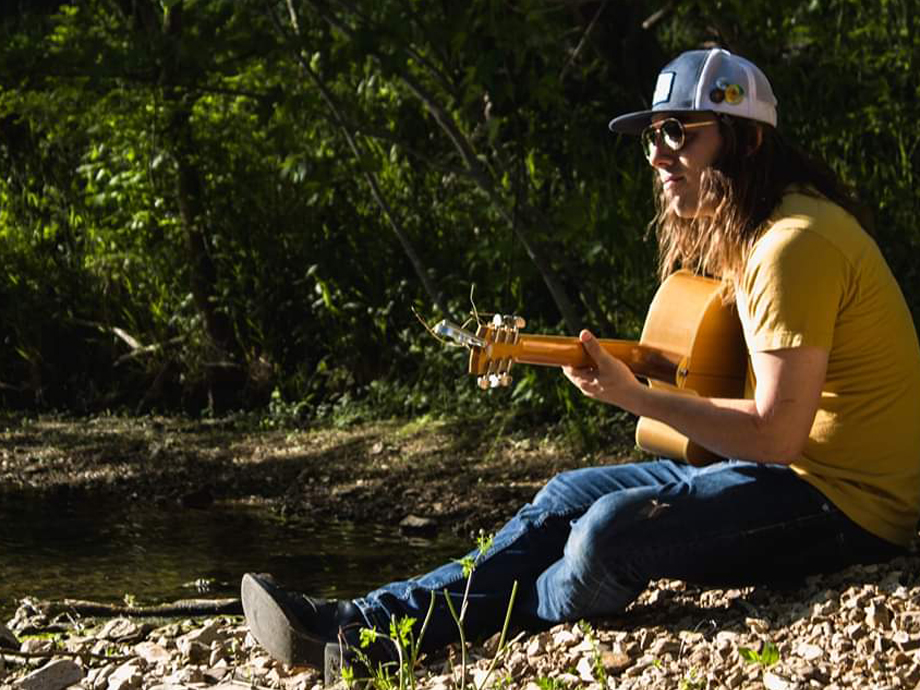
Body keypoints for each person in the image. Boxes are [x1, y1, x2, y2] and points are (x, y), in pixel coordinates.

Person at [240, 48, 920, 684]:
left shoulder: (791, 245)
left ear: (747, 139)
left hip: (849, 505)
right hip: (784, 473)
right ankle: (353, 625)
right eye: (651, 137)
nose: (658, 155)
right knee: (567, 496)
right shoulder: (760, 233)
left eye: (679, 132)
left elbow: (776, 433)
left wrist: (634, 397)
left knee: (605, 533)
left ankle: (471, 620)